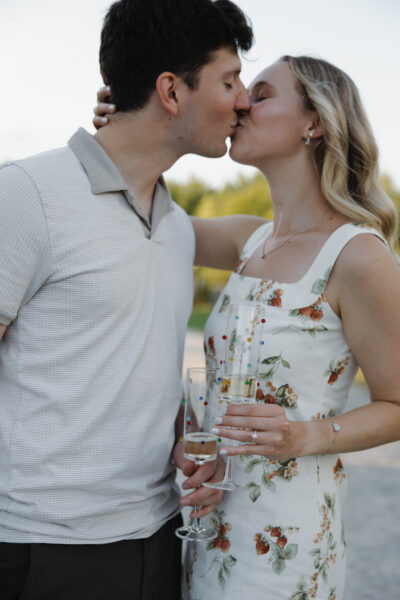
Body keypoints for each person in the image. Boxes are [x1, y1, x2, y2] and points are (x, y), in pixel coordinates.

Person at [95, 55, 400, 599]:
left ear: (315, 123)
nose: (240, 104)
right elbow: (137, 216)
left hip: (289, 541)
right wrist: (129, 127)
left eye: (260, 94)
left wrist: (306, 435)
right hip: (209, 522)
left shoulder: (356, 256)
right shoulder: (247, 239)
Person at [0, 1, 255, 598]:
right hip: (43, 553)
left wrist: (177, 437)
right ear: (171, 90)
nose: (241, 98)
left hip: (159, 540)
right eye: (229, 80)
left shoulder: (175, 227)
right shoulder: (26, 195)